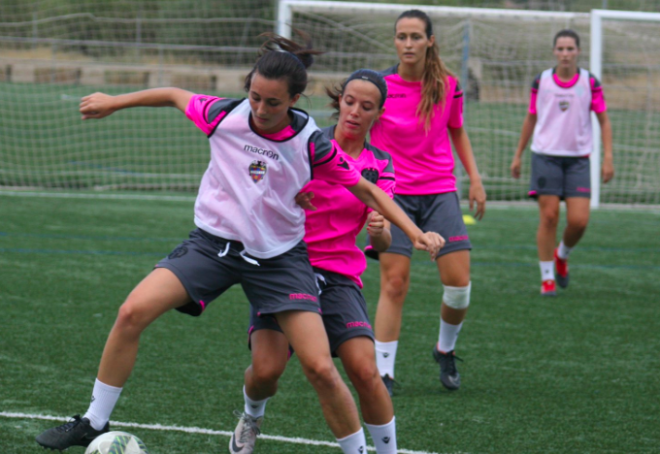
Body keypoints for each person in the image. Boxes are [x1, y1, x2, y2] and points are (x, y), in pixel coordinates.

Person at [34, 33, 444, 454]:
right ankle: (93, 420)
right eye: (254, 97)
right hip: (212, 245)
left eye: (273, 103)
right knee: (131, 311)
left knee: (321, 367)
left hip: (278, 260)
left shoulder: (312, 143)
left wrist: (414, 234)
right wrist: (115, 102)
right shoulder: (224, 114)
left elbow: (369, 190)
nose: (261, 110)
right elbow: (176, 95)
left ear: (295, 100)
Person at [229, 69, 405, 454]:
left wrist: (378, 229)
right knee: (266, 373)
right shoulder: (305, 142)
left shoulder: (380, 165)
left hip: (340, 277)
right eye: (349, 101)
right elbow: (259, 194)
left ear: (379, 113)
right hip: (284, 268)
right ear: (338, 101)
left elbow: (385, 240)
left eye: (367, 106)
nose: (355, 112)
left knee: (364, 370)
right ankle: (252, 415)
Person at [368, 9, 486, 394]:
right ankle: (382, 372)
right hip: (393, 195)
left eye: (415, 37)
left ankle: (444, 349)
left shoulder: (448, 85)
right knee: (395, 283)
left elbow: (457, 130)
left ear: (430, 41)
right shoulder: (380, 85)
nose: (407, 44)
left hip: (439, 192)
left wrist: (475, 179)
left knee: (459, 286)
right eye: (401, 36)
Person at [510, 29, 614, 296]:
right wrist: (518, 154)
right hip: (545, 156)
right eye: (561, 49)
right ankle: (547, 279)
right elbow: (531, 117)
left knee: (579, 221)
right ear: (554, 51)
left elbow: (603, 120)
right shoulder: (541, 81)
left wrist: (608, 157)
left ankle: (562, 255)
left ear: (578, 51)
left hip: (578, 160)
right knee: (549, 217)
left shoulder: (590, 82)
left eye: (570, 49)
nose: (565, 54)